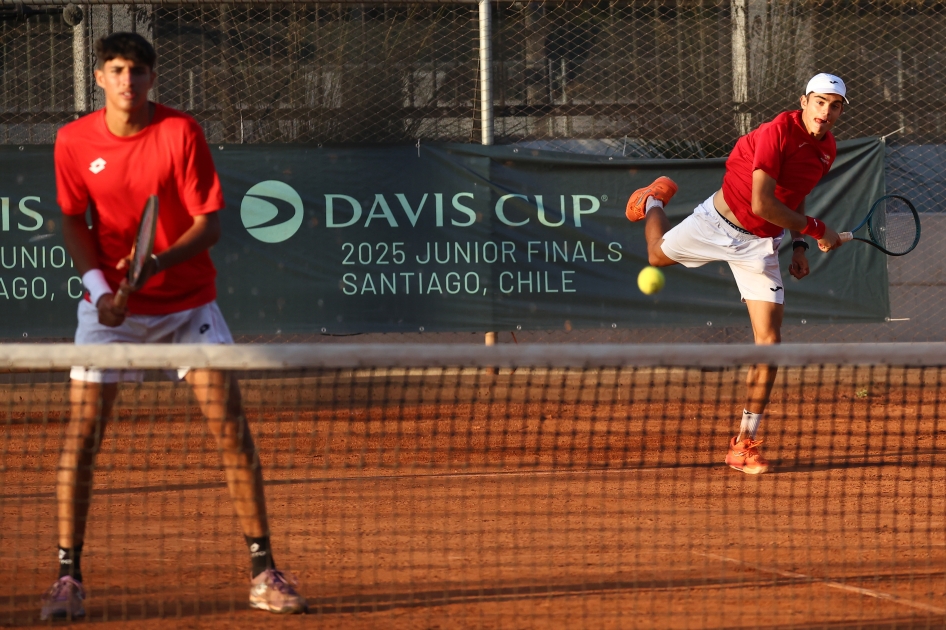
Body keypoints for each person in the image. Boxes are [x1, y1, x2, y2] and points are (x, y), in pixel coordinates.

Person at [40, 32, 306, 619]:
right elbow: (73, 222)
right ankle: (67, 578)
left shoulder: (181, 133)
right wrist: (102, 292)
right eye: (116, 69)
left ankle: (264, 572)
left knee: (232, 432)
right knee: (82, 438)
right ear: (99, 77)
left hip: (188, 307)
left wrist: (155, 264)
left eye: (137, 70)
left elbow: (209, 226)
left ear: (152, 78)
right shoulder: (73, 140)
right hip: (110, 315)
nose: (127, 80)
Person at [625, 73, 848, 475]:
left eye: (834, 106)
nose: (826, 111)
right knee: (656, 257)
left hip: (760, 247)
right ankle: (654, 199)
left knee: (770, 344)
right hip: (717, 223)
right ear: (804, 102)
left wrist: (799, 244)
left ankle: (743, 444)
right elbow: (763, 204)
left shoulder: (826, 149)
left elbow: (794, 194)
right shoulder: (776, 133)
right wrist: (817, 230)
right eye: (819, 102)